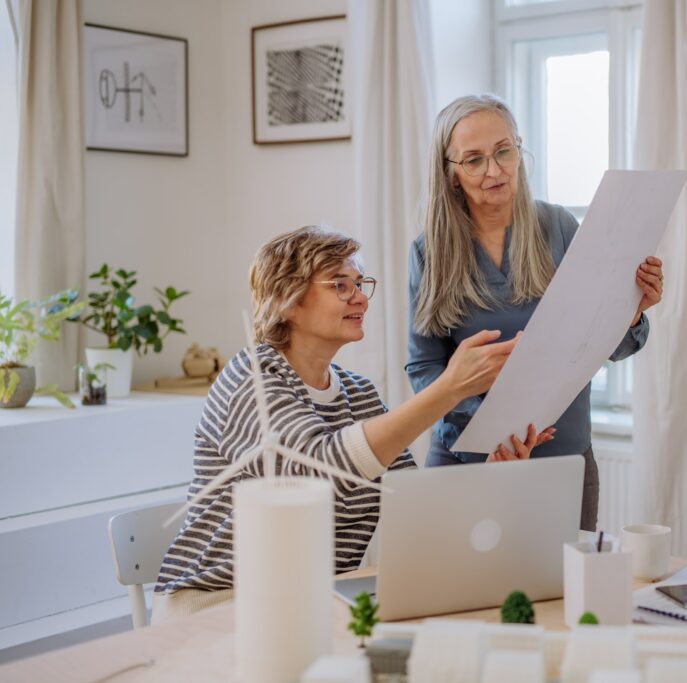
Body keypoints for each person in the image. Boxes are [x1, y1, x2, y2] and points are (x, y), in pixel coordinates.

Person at [153, 226, 546, 622]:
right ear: (286, 301)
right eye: (340, 285)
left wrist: (492, 479)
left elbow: (409, 503)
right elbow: (316, 472)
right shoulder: (250, 378)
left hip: (309, 601)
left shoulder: (358, 393)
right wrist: (449, 389)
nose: (360, 298)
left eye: (360, 284)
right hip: (220, 602)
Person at [406, 94, 665, 531]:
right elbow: (424, 368)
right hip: (469, 460)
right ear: (450, 173)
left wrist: (632, 312)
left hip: (561, 459)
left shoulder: (559, 228)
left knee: (564, 593)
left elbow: (608, 345)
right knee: (463, 596)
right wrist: (493, 420)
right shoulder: (429, 251)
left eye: (504, 151)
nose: (495, 170)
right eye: (474, 160)